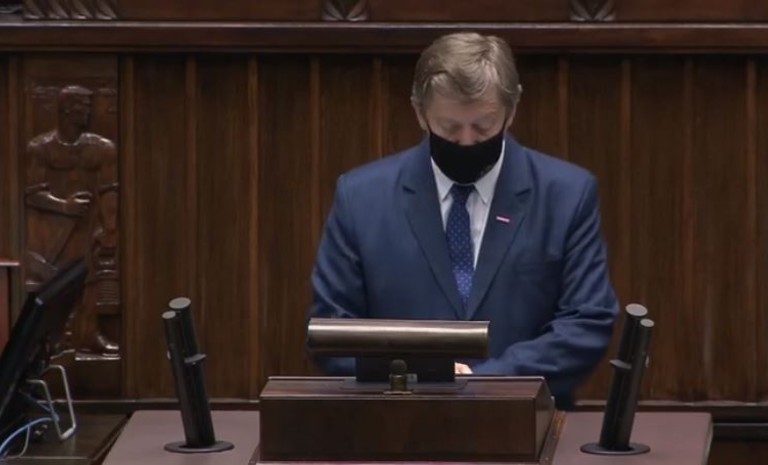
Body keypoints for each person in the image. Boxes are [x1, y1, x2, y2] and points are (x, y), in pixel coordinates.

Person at [307, 32, 618, 407]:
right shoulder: (361, 198)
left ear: (511, 112)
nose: (468, 142)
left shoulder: (566, 196)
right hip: (395, 421)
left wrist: (487, 380)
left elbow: (586, 323)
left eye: (484, 127)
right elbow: (332, 330)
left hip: (526, 421)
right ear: (420, 113)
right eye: (450, 128)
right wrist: (424, 378)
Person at [25, 85, 119, 356]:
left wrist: (110, 226)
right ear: (65, 109)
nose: (87, 112)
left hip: (87, 228)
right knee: (53, 284)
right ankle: (49, 340)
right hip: (49, 231)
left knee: (90, 280)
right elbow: (31, 193)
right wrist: (64, 205)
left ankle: (88, 333)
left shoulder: (102, 148)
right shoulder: (40, 148)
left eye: (89, 107)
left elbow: (109, 190)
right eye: (82, 107)